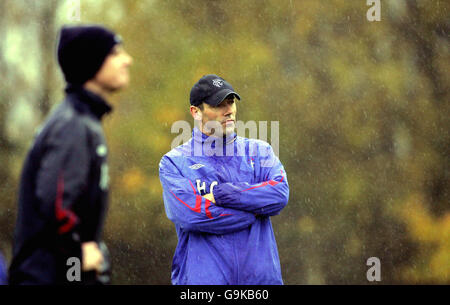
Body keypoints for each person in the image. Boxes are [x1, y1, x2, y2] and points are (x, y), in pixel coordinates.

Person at [9, 24, 132, 285]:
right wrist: (78, 252)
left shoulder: (83, 120)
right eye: (116, 53)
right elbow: (55, 203)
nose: (127, 60)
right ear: (92, 62)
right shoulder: (72, 124)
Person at [159, 74, 289, 284]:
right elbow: (192, 216)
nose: (228, 110)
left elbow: (279, 194)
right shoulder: (174, 163)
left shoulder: (259, 152)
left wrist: (221, 194)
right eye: (218, 104)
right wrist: (251, 213)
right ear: (196, 112)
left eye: (230, 102)